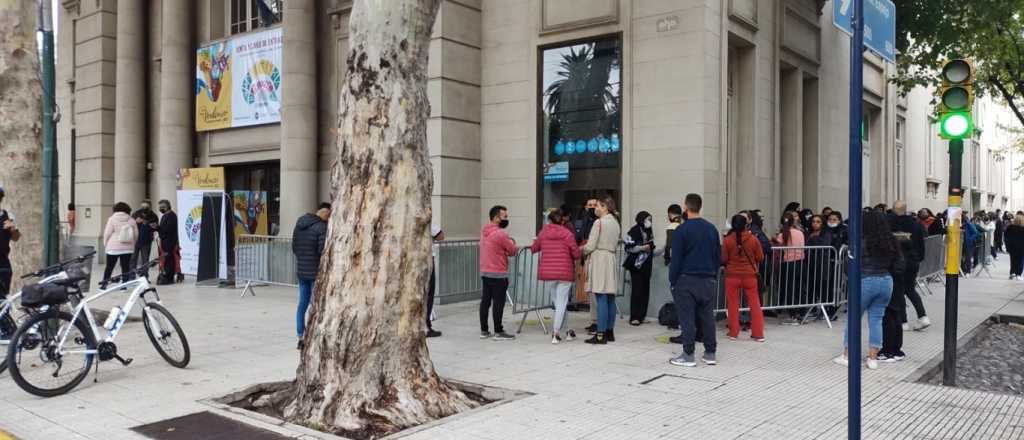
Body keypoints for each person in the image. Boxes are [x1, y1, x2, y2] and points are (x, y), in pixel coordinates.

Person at [834, 211, 903, 370]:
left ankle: (847, 355)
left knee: (853, 318)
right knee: (876, 320)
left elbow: (848, 265)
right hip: (886, 281)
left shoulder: (860, 241)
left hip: (865, 281)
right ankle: (873, 358)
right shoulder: (890, 241)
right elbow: (898, 264)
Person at [669, 194, 721, 367]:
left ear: (685, 207)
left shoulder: (681, 231)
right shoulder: (711, 229)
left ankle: (688, 354)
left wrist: (673, 281)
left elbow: (676, 259)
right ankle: (710, 353)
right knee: (707, 318)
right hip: (708, 279)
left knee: (687, 318)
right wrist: (713, 276)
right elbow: (717, 256)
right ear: (700, 206)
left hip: (686, 279)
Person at [530, 209, 581, 344]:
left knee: (559, 304)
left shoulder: (543, 233)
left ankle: (569, 331)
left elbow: (534, 248)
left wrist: (537, 241)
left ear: (549, 220)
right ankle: (556, 332)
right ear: (562, 220)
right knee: (562, 303)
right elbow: (576, 254)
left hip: (549, 273)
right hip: (565, 272)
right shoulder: (567, 233)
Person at [292, 203, 331, 349]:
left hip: (302, 271)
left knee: (302, 304)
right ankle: (314, 334)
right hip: (315, 272)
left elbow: (294, 247)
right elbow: (322, 251)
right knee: (315, 305)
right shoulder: (322, 227)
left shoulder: (299, 223)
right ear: (325, 212)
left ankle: (300, 335)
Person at [721, 214, 765, 342]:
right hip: (750, 276)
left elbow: (723, 259)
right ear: (746, 225)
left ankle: (733, 332)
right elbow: (760, 257)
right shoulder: (753, 239)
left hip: (732, 276)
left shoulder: (728, 240)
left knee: (733, 304)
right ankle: (758, 333)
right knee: (755, 304)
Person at [583, 196, 621, 344]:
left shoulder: (599, 223)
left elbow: (591, 245)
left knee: (601, 297)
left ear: (605, 207)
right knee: (610, 297)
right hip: (610, 258)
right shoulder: (616, 223)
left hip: (599, 259)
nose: (595, 209)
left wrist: (582, 250)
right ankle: (610, 332)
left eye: (598, 206)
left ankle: (600, 334)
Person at [888, 201, 929, 333]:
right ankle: (922, 316)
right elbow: (921, 244)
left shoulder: (891, 223)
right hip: (912, 261)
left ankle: (903, 321)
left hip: (897, 261)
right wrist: (918, 258)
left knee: (898, 290)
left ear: (894, 209)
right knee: (910, 289)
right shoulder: (916, 224)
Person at [480, 205, 517, 341]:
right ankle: (498, 331)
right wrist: (512, 243)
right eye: (504, 216)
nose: (506, 219)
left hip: (485, 271)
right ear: (496, 218)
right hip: (498, 273)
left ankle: (484, 330)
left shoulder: (484, 231)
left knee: (485, 301)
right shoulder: (501, 234)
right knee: (498, 302)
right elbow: (513, 251)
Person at [624, 211, 655, 326]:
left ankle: (642, 315)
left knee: (645, 291)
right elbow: (629, 247)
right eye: (648, 219)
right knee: (637, 290)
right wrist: (642, 248)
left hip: (647, 265)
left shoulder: (649, 231)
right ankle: (634, 317)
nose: (649, 222)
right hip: (636, 266)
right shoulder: (634, 231)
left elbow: (652, 247)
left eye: (650, 220)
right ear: (642, 219)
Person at [774, 213, 805, 324]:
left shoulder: (782, 235)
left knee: (789, 288)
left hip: (788, 263)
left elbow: (778, 246)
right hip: (800, 262)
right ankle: (800, 311)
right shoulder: (800, 233)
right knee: (798, 287)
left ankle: (793, 313)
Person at [101, 202, 138, 289]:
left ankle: (104, 285)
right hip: (127, 248)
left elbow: (107, 233)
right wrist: (133, 244)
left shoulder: (112, 219)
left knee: (109, 267)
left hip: (113, 247)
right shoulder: (132, 220)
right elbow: (136, 234)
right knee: (125, 267)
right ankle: (124, 286)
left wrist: (105, 243)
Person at [0, 187, 21, 296]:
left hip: (3, 265)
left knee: (3, 300)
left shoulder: (8, 216)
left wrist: (13, 229)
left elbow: (16, 238)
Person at [426, 225, 444, 338]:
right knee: (429, 294)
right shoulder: (429, 224)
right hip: (427, 258)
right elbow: (441, 236)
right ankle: (426, 326)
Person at [156, 200, 179, 285]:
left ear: (167, 206)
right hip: (164, 240)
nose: (160, 208)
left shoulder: (172, 216)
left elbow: (169, 229)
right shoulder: (164, 216)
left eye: (162, 207)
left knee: (169, 259)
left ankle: (170, 277)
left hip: (170, 241)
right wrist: (156, 228)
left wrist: (158, 228)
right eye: (160, 207)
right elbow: (162, 228)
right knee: (166, 259)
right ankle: (166, 275)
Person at [131, 200, 159, 270]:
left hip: (146, 241)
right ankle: (131, 277)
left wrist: (146, 222)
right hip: (135, 240)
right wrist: (135, 221)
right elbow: (130, 224)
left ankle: (145, 277)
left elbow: (155, 228)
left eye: (146, 207)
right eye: (142, 206)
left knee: (145, 260)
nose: (144, 208)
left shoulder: (153, 215)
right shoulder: (136, 214)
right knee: (132, 259)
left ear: (150, 207)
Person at [1005, 214, 1024, 280]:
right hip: (1021, 247)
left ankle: (1012, 273)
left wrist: (1007, 246)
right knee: (1020, 261)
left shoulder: (1010, 227)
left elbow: (1006, 237)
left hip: (1012, 247)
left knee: (1012, 260)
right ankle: (1018, 274)